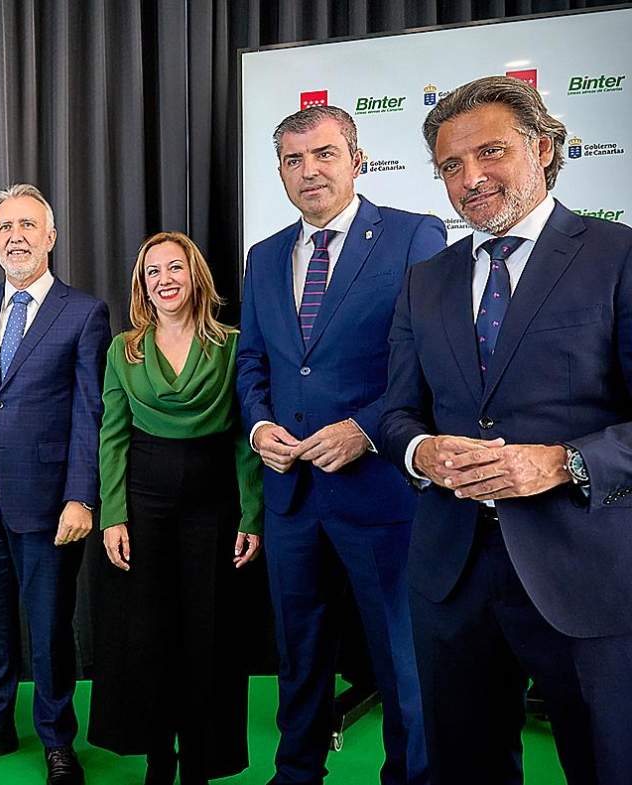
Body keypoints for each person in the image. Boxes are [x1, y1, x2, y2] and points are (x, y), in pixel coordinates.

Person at [380, 75, 632, 785]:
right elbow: (396, 413)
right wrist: (421, 451)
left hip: (585, 574)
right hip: (451, 577)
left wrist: (562, 462)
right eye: (451, 166)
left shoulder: (617, 255)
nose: (471, 179)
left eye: (490, 152)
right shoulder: (425, 280)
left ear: (543, 148)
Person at [235, 106, 446, 785]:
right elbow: (253, 362)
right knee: (298, 656)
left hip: (379, 496)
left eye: (324, 154)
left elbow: (432, 360)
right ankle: (296, 773)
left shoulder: (413, 235)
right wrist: (259, 425)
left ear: (357, 160)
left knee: (400, 660)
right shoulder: (265, 256)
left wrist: (366, 429)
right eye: (294, 160)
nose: (310, 170)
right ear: (280, 172)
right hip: (292, 498)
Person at [0, 183, 109, 785]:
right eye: (5, 227)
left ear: (50, 236)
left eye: (28, 225)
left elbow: (90, 412)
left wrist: (81, 495)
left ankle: (57, 738)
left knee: (51, 630)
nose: (16, 237)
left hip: (50, 503)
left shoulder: (83, 312)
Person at [89, 231, 263, 785]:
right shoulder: (124, 350)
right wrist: (113, 515)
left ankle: (202, 763)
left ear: (195, 277)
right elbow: (112, 436)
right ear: (142, 286)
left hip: (215, 504)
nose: (164, 280)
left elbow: (244, 438)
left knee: (208, 636)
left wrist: (251, 514)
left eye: (175, 268)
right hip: (144, 504)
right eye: (152, 272)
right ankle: (158, 758)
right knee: (148, 635)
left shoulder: (232, 346)